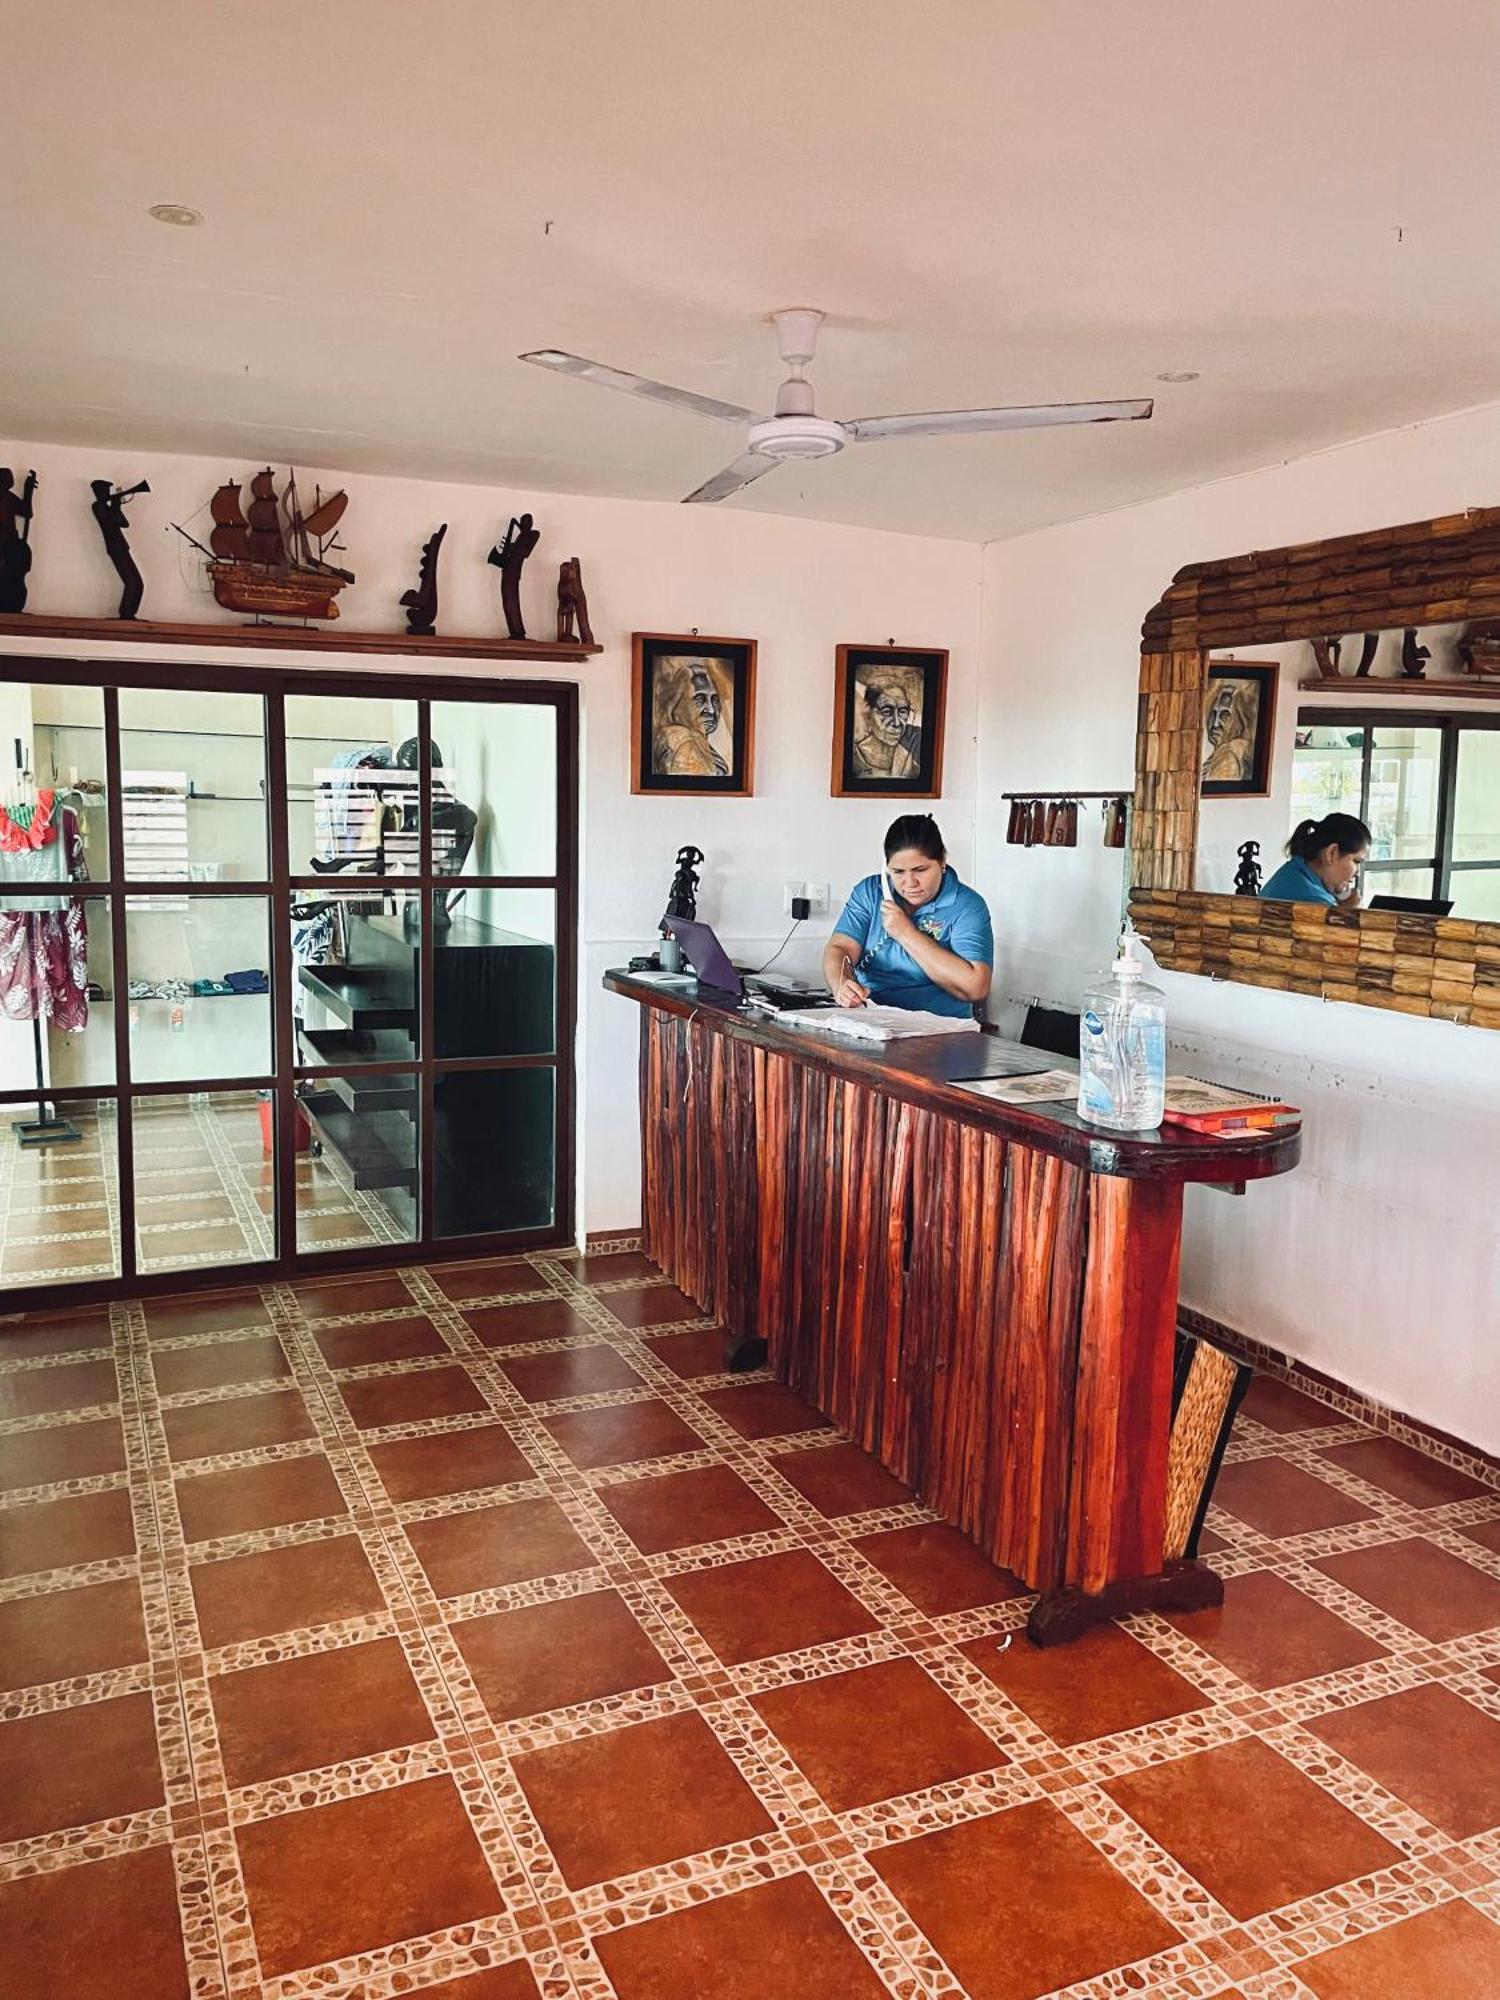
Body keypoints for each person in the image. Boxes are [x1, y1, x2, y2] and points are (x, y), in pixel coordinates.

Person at [822, 814, 992, 1017]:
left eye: (920, 870)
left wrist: (905, 933)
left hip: (938, 1028)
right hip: (870, 1018)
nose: (910, 883)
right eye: (898, 872)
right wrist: (841, 984)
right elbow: (840, 948)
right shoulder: (869, 892)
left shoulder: (968, 906)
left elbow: (976, 987)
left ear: (942, 861)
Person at [1260, 812, 1370, 906]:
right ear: (1331, 853)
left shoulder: (1295, 868)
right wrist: (1348, 914)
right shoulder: (1315, 902)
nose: (1357, 873)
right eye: (1356, 861)